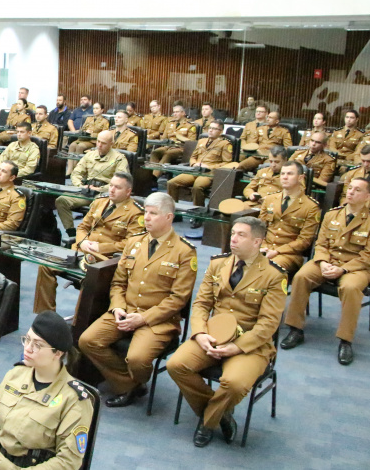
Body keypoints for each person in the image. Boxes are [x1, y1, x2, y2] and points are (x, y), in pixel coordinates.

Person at [167, 217, 286, 447]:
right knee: (176, 365)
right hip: (213, 336)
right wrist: (200, 333)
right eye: (233, 233)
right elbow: (201, 304)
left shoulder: (274, 275)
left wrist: (237, 347)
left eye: (241, 235)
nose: (233, 238)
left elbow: (268, 324)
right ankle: (221, 415)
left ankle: (208, 422)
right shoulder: (217, 264)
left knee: (233, 383)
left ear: (257, 242)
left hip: (250, 344)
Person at [79, 192, 197, 408]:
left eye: (153, 213)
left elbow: (178, 299)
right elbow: (118, 284)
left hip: (157, 320)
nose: (147, 218)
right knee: (87, 341)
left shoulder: (184, 252)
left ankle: (130, 383)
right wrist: (117, 308)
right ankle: (130, 384)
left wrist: (142, 319)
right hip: (125, 310)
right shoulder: (134, 243)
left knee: (137, 359)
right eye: (146, 212)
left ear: (169, 217)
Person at [0, 311, 94, 469]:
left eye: (37, 345)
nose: (28, 349)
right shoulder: (16, 374)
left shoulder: (74, 399)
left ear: (57, 353)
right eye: (27, 340)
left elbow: (68, 461)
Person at [282, 177, 370, 365]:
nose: (350, 192)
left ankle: (345, 341)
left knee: (351, 288)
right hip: (328, 261)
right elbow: (321, 244)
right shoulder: (332, 215)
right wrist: (323, 262)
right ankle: (295, 329)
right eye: (349, 188)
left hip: (356, 268)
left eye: (357, 190)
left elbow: (369, 256)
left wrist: (342, 269)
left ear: (367, 197)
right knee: (302, 276)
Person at [35, 172, 144, 313]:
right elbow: (82, 227)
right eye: (111, 185)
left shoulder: (135, 213)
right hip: (81, 250)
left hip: (105, 259)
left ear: (128, 191)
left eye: (117, 187)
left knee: (89, 279)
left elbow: (132, 244)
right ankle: (46, 316)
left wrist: (101, 247)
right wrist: (82, 241)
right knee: (46, 266)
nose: (111, 189)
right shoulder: (100, 201)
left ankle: (79, 324)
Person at [55, 130, 129, 232]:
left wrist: (100, 189)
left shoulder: (119, 158)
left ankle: (90, 235)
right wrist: (80, 185)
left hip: (105, 194)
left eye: (103, 143)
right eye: (98, 141)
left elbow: (120, 182)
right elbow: (76, 173)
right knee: (61, 200)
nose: (99, 145)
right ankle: (71, 234)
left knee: (96, 207)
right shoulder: (90, 155)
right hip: (87, 191)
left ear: (111, 144)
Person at [257, 161, 320, 275]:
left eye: (290, 174)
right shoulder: (269, 199)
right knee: (234, 263)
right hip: (265, 248)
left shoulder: (311, 207)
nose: (285, 177)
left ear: (300, 178)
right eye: (282, 174)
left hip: (289, 255)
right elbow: (260, 229)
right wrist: (263, 247)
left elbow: (304, 241)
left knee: (268, 269)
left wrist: (277, 251)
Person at [166, 120, 234, 207]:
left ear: (220, 131)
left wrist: (210, 166)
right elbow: (193, 157)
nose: (210, 130)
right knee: (172, 182)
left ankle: (198, 210)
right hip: (195, 170)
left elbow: (227, 163)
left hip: (209, 173)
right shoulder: (201, 141)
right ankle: (173, 209)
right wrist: (194, 164)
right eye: (210, 128)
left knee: (197, 187)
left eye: (214, 128)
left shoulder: (225, 144)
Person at [149, 104, 197, 179]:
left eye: (177, 112)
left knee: (168, 154)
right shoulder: (170, 123)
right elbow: (164, 138)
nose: (175, 114)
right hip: (167, 146)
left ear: (183, 113)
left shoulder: (190, 125)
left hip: (180, 149)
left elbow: (192, 142)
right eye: (174, 112)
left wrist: (179, 136)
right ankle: (151, 174)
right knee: (155, 152)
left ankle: (154, 178)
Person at [0, 89, 34, 158]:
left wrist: (13, 131)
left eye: (19, 104)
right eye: (17, 104)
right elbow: (8, 122)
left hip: (16, 133)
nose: (17, 106)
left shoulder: (26, 117)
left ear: (24, 105)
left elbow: (24, 128)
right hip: (8, 131)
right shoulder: (14, 114)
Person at [340, 145, 370, 210]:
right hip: (351, 209)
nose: (366, 164)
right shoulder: (352, 174)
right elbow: (344, 196)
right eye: (363, 161)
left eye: (369, 161)